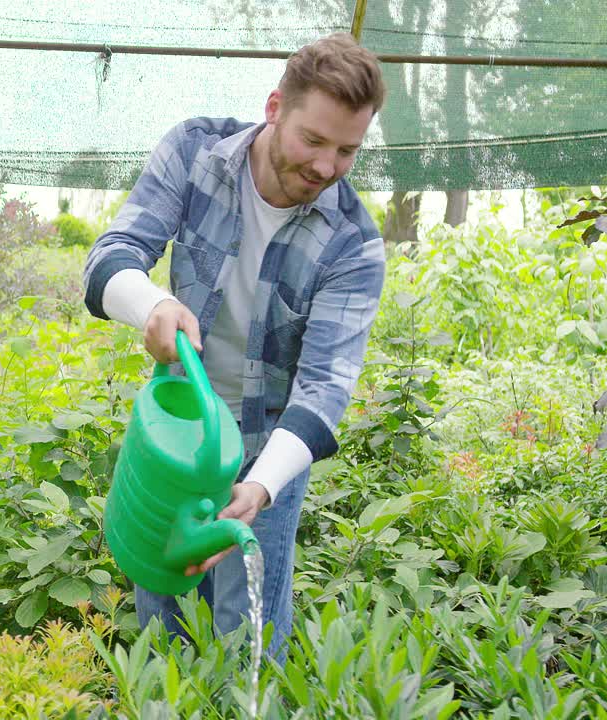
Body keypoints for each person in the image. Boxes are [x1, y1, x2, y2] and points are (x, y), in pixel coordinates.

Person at [83, 33, 386, 659]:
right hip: (180, 434)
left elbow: (325, 388)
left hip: (268, 449)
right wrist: (154, 305)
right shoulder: (195, 152)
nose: (327, 167)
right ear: (275, 107)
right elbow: (110, 260)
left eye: (347, 151)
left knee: (248, 635)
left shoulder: (353, 244)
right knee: (161, 609)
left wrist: (261, 488)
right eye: (313, 139)